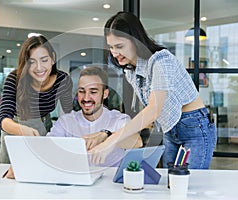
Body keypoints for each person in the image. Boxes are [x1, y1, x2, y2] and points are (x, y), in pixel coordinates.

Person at [87, 11, 217, 169]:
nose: (114, 53)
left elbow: (154, 110)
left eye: (119, 46)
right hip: (170, 130)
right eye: (111, 47)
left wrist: (110, 141)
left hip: (195, 128)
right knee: (170, 185)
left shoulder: (161, 61)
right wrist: (106, 134)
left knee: (186, 186)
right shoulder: (131, 71)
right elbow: (149, 116)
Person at [3, 66, 142, 179]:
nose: (86, 98)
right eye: (82, 91)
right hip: (76, 183)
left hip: (111, 185)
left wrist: (106, 135)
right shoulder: (67, 121)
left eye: (93, 92)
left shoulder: (118, 119)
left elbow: (137, 143)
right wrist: (22, 165)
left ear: (105, 94)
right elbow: (47, 149)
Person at [0, 35, 73, 164]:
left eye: (44, 60)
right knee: (7, 177)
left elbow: (68, 113)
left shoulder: (62, 80)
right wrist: (22, 130)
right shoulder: (14, 79)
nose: (39, 67)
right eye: (32, 62)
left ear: (53, 59)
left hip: (45, 128)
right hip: (15, 129)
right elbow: (4, 119)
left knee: (41, 172)